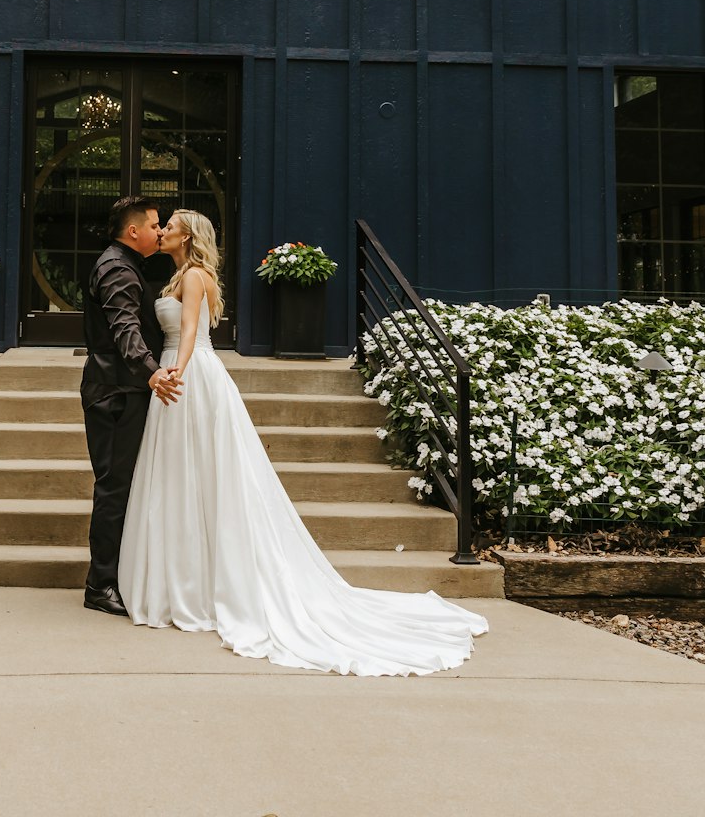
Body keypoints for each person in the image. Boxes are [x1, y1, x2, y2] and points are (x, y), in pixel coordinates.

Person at [116, 208, 490, 675]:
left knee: (199, 476)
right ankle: (186, 579)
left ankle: (196, 586)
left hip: (188, 377)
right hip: (183, 375)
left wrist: (176, 372)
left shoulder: (193, 276)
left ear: (187, 237)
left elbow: (191, 331)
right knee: (182, 478)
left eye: (170, 225)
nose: (163, 230)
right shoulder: (180, 275)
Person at [79, 195, 183, 616]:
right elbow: (125, 328)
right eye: (155, 225)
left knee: (122, 486)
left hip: (120, 389)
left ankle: (117, 576)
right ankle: (100, 585)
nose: (160, 232)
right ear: (133, 231)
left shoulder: (122, 264)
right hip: (116, 393)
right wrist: (152, 371)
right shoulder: (117, 268)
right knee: (114, 488)